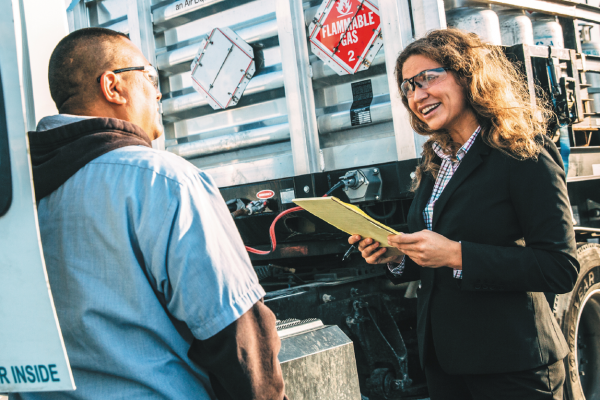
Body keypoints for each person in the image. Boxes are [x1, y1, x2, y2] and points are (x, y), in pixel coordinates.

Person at [11, 28, 286, 400]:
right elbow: (238, 341)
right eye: (150, 77)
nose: (159, 92)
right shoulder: (166, 182)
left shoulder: (15, 197)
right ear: (113, 87)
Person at [349, 29, 579, 400]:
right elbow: (435, 259)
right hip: (446, 365)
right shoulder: (434, 163)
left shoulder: (524, 154)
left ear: (467, 75)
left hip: (512, 366)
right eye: (408, 87)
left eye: (428, 78)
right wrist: (396, 256)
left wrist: (457, 254)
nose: (417, 95)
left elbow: (559, 267)